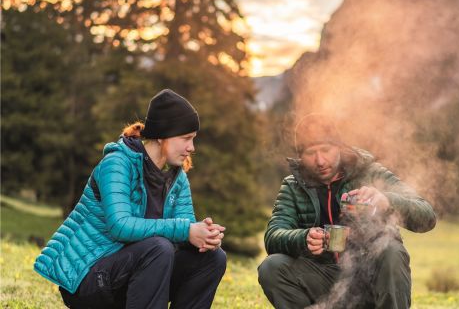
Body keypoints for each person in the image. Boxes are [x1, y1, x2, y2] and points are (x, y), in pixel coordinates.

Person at [34, 89, 227, 309]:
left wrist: (202, 237)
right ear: (162, 134)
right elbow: (120, 226)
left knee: (213, 258)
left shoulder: (177, 178)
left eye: (193, 139)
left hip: (139, 278)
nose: (191, 147)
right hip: (90, 279)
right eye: (186, 138)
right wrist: (186, 230)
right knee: (159, 247)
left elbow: (184, 231)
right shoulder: (117, 164)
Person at [258, 113, 437, 309]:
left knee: (392, 251)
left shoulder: (371, 173)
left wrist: (386, 200)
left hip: (371, 276)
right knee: (272, 267)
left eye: (326, 150)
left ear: (339, 147)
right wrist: (303, 238)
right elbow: (273, 235)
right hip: (323, 277)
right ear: (301, 156)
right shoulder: (292, 187)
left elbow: (427, 216)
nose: (320, 161)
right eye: (311, 153)